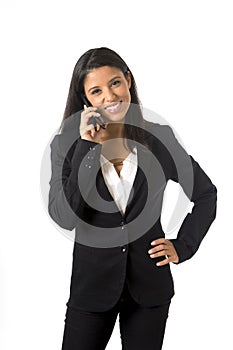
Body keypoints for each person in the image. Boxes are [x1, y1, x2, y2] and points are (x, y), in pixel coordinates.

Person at [48, 47, 217, 350]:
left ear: (127, 80)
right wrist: (88, 148)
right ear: (86, 100)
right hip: (92, 289)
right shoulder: (66, 145)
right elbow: (64, 216)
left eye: (115, 83)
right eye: (96, 91)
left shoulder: (160, 138)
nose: (110, 97)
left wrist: (183, 245)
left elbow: (205, 193)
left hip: (149, 290)